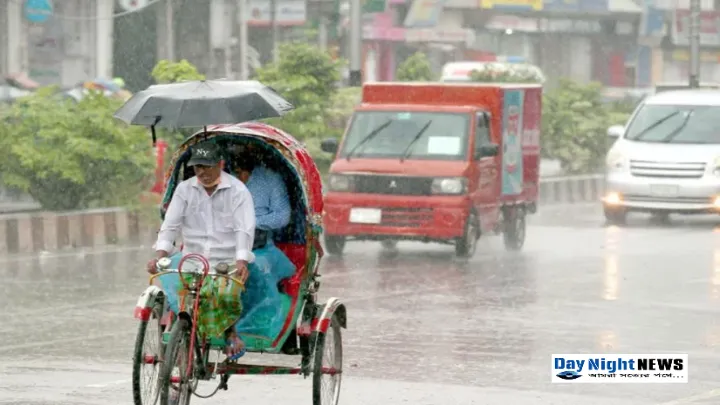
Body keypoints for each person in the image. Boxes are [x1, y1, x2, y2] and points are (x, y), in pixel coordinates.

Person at [146, 142, 255, 357]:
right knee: (182, 299)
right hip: (192, 259)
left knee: (225, 295)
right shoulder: (184, 190)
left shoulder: (238, 191)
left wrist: (242, 260)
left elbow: (245, 228)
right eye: (198, 168)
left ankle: (230, 332)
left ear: (220, 164)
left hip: (226, 261)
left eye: (207, 166)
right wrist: (160, 255)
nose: (202, 173)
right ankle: (181, 346)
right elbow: (170, 225)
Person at [231, 147, 296, 339]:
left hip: (260, 247)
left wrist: (250, 223)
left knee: (256, 270)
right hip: (222, 244)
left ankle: (260, 326)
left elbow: (282, 216)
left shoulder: (270, 180)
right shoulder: (219, 180)